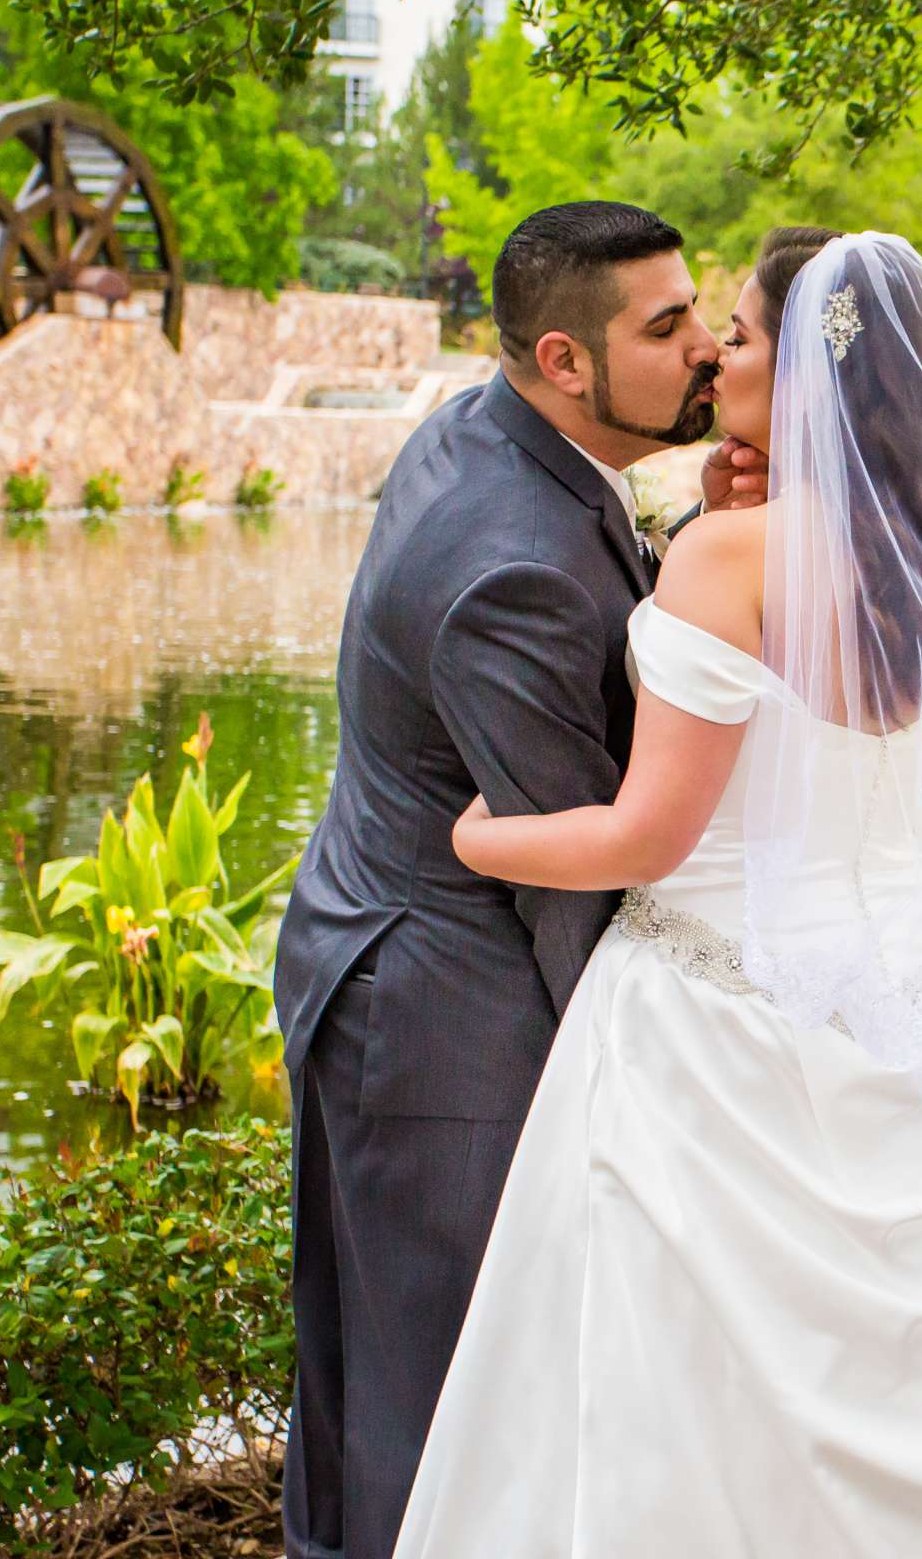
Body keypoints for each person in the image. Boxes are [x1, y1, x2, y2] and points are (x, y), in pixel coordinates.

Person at [392, 229, 922, 1556]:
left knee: (678, 1402)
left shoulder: (729, 559)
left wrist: (479, 841)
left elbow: (646, 837)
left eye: (747, 337)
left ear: (814, 378)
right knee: (858, 1371)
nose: (717, 353)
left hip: (716, 1028)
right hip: (910, 996)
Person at [272, 200, 763, 1559]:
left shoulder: (486, 432)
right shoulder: (511, 569)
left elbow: (597, 620)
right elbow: (577, 866)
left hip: (382, 939)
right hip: (447, 1021)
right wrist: (673, 1071)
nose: (710, 351)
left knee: (395, 1377)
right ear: (563, 361)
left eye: (704, 312)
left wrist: (691, 551)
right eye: (666, 329)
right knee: (435, 1405)